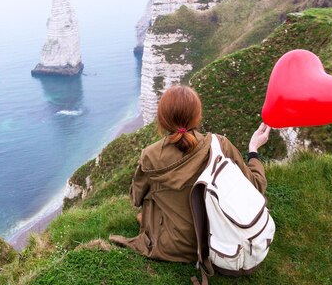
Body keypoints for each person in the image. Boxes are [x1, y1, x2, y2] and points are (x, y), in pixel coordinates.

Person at [109, 85, 271, 263]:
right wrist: (253, 150)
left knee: (151, 195)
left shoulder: (150, 156)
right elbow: (256, 186)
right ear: (197, 116)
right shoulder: (220, 144)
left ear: (162, 120)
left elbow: (136, 198)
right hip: (219, 244)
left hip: (173, 247)